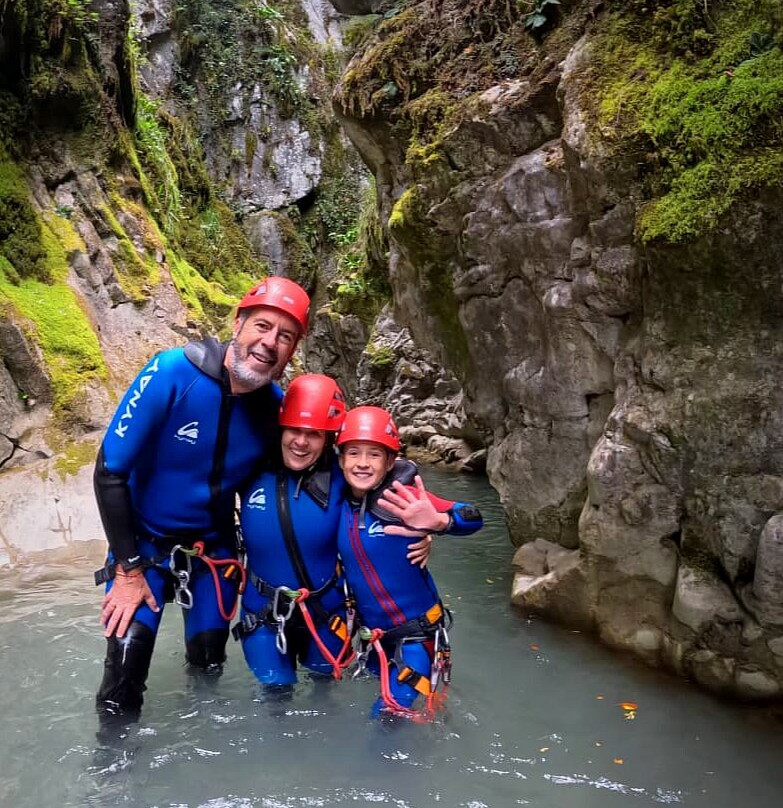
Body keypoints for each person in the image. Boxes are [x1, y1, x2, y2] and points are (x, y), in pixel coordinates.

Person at [93, 276, 310, 722]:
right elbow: (110, 471)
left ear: (292, 351)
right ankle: (113, 784)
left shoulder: (276, 409)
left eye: (285, 336)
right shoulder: (172, 372)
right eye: (262, 326)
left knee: (210, 662)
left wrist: (408, 503)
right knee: (121, 684)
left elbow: (330, 463)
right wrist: (128, 569)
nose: (269, 343)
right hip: (143, 548)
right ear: (238, 323)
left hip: (212, 551)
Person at [235, 374, 432, 688]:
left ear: (328, 438)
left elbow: (395, 500)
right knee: (274, 692)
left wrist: (427, 530)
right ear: (280, 429)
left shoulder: (347, 477)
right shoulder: (248, 469)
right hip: (262, 614)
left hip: (329, 615)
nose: (301, 442)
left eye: (313, 434)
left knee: (324, 689)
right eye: (294, 430)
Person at [335, 406, 484, 719]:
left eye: (374, 455)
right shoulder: (335, 502)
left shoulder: (404, 499)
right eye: (353, 453)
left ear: (390, 462)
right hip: (371, 638)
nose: (362, 463)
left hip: (416, 639)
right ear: (340, 459)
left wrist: (438, 522)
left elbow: (473, 516)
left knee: (386, 721)